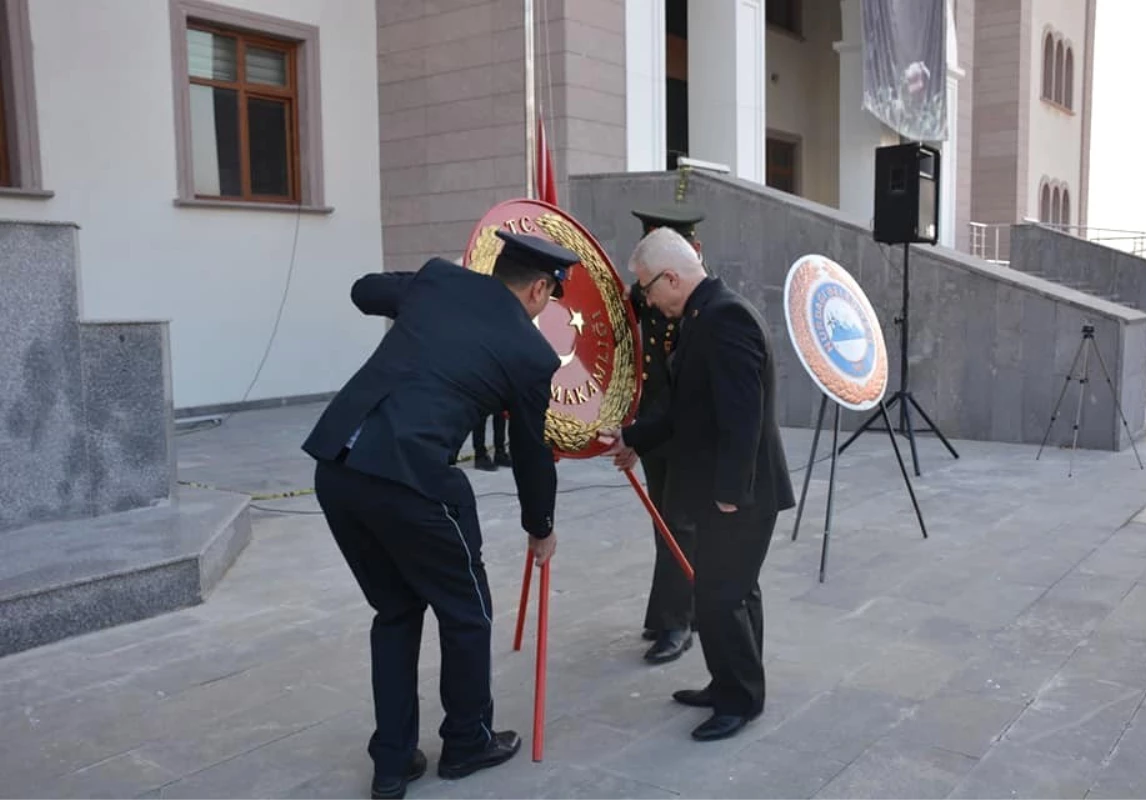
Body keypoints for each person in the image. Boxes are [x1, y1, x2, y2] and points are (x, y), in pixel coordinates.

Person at [301, 231, 578, 799]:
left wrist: (431, 283)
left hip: (337, 468)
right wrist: (541, 526)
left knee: (396, 611)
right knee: (466, 613)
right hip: (412, 479)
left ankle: (393, 763)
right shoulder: (531, 355)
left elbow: (364, 291)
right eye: (551, 298)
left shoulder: (438, 281)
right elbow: (530, 451)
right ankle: (467, 741)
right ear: (540, 288)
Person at [603, 227, 795, 742]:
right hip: (727, 489)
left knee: (721, 595)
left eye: (646, 287)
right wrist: (634, 437)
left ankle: (739, 701)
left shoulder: (723, 317)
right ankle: (731, 682)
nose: (645, 299)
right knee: (731, 592)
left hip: (738, 495)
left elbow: (741, 415)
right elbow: (687, 407)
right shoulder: (701, 315)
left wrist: (732, 492)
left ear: (671, 277)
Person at [627, 204, 707, 665]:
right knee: (665, 522)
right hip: (653, 426)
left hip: (681, 426)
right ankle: (670, 613)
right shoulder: (644, 296)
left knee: (680, 523)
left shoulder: (697, 300)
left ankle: (678, 623)